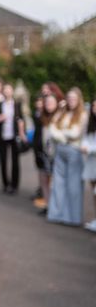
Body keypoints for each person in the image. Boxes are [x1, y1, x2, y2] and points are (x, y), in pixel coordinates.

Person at [47, 87, 88, 226]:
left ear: (79, 100)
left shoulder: (82, 114)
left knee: (73, 186)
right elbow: (52, 128)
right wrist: (63, 136)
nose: (71, 101)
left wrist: (61, 134)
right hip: (60, 150)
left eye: (74, 98)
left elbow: (75, 133)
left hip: (74, 152)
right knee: (58, 184)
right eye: (69, 98)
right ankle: (57, 214)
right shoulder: (62, 112)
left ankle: (73, 218)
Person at [0, 83, 26, 194]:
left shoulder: (17, 104)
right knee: (3, 160)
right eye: (5, 90)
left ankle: (15, 185)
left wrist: (22, 133)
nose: (7, 92)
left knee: (15, 161)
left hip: (14, 136)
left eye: (9, 89)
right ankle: (6, 184)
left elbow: (21, 119)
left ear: (12, 91)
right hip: (2, 136)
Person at [81, 99, 96, 232]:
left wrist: (89, 149)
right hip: (92, 162)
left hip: (93, 156)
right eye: (94, 105)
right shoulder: (91, 123)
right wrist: (84, 146)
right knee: (93, 192)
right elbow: (86, 138)